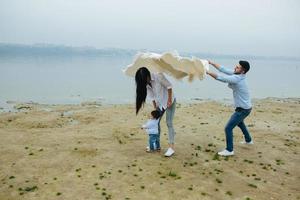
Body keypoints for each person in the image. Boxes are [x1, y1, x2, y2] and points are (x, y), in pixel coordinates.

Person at [207, 60, 253, 156]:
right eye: (237, 66)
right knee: (240, 123)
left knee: (228, 128)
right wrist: (211, 63)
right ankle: (248, 140)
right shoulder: (238, 74)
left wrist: (207, 72)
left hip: (243, 110)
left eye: (238, 67)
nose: (235, 67)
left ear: (243, 71)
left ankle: (229, 150)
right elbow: (222, 69)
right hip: (246, 108)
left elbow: (221, 78)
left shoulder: (237, 78)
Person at [135, 67, 176, 157]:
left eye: (144, 80)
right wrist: (155, 106)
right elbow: (152, 95)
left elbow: (169, 86)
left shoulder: (158, 76)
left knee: (169, 123)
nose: (144, 83)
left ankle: (171, 148)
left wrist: (169, 100)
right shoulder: (146, 83)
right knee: (155, 123)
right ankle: (156, 146)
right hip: (159, 103)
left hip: (169, 100)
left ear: (148, 76)